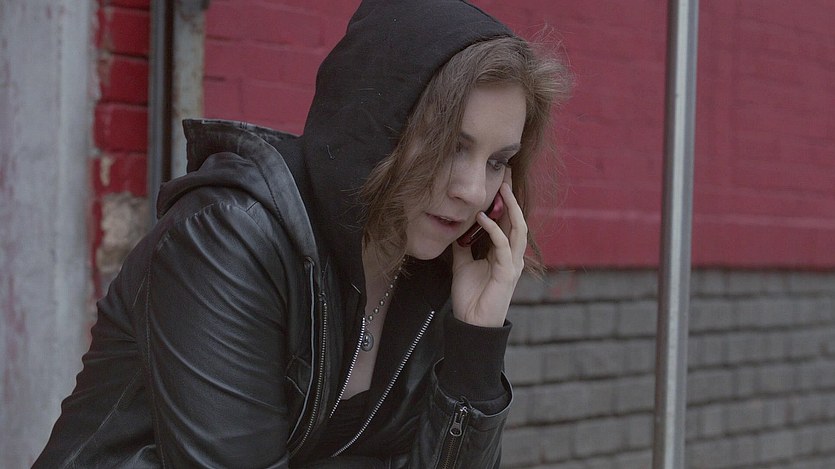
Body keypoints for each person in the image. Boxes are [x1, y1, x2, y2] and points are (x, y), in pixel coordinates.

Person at [34, 0, 571, 467]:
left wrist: (475, 341)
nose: (473, 191)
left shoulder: (430, 268)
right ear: (376, 123)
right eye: (452, 147)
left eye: (498, 162)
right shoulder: (230, 238)